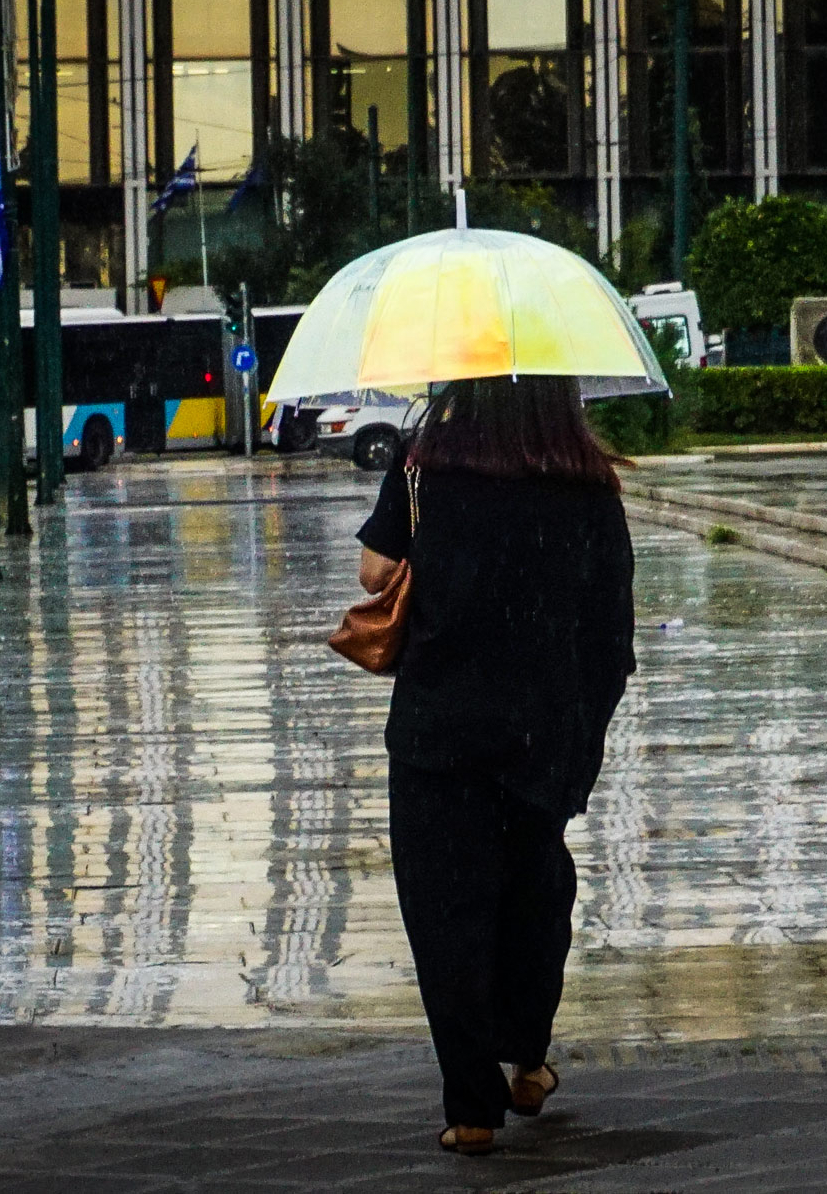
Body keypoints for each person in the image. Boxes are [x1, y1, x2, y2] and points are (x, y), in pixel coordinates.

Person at [355, 375, 637, 1157]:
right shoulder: (587, 487)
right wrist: (584, 730)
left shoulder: (423, 469)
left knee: (444, 914)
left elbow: (374, 575)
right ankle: (530, 1057)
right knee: (533, 898)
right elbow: (612, 628)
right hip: (542, 733)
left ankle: (471, 1107)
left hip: (436, 733)